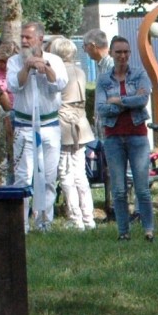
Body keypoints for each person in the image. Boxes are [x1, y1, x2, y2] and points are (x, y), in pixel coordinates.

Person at [5, 22, 68, 232]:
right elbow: (14, 85)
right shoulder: (14, 61)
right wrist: (27, 66)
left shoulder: (55, 60)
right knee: (23, 177)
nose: (23, 41)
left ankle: (44, 222)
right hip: (24, 126)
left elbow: (60, 85)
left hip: (49, 125)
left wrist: (45, 68)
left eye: (28, 38)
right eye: (22, 37)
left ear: (40, 39)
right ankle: (21, 225)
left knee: (49, 177)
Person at [97, 36, 155, 240]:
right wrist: (127, 103)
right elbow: (101, 108)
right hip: (113, 137)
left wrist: (118, 100)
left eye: (126, 52)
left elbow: (143, 99)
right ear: (111, 53)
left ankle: (149, 229)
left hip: (137, 136)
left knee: (142, 188)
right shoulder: (104, 80)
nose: (122, 56)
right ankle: (123, 232)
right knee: (119, 190)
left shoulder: (139, 74)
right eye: (118, 52)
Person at [49, 35, 97, 230]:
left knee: (65, 172)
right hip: (80, 122)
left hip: (63, 122)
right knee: (79, 172)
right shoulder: (79, 71)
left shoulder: (58, 72)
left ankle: (75, 217)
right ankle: (88, 216)